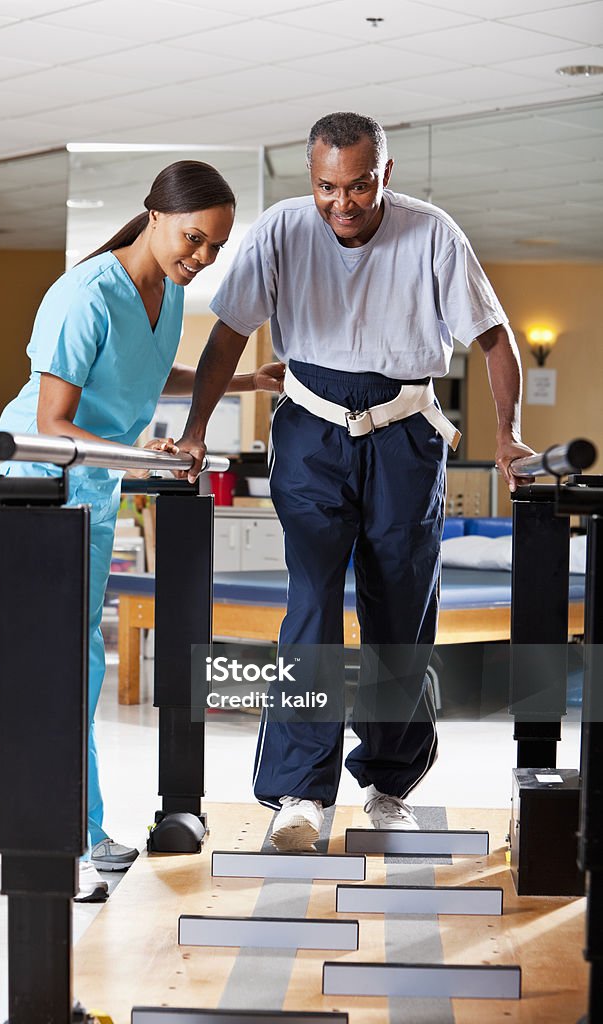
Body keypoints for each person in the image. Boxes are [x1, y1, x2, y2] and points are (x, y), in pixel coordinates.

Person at [176, 112, 534, 853]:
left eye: (360, 185)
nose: (343, 202)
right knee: (310, 606)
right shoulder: (280, 229)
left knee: (398, 614)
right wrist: (193, 430)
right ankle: (299, 793)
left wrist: (506, 436)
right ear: (312, 180)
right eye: (327, 187)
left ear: (385, 174)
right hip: (310, 434)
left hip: (404, 435)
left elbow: (493, 337)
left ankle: (386, 784)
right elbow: (227, 333)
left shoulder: (432, 233)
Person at [0, 160, 284, 898]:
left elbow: (148, 376)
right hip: (35, 489)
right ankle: (54, 847)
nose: (202, 257)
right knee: (46, 675)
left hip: (90, 489)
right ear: (154, 214)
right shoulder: (83, 294)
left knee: (80, 670)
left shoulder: (169, 295)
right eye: (193, 238)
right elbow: (53, 423)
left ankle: (80, 832)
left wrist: (244, 381)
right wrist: (138, 450)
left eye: (215, 246)